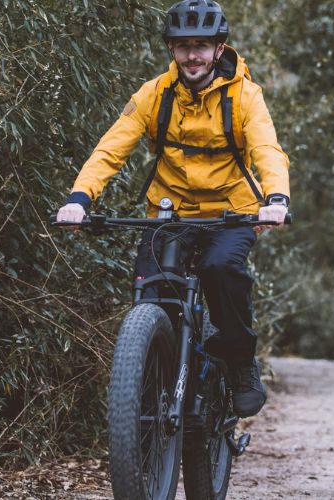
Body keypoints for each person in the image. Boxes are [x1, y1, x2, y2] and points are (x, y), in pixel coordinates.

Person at [55, 0, 290, 418]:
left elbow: (267, 149)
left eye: (201, 46)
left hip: (232, 213)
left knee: (221, 270)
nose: (192, 56)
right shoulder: (154, 94)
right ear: (171, 49)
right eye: (183, 47)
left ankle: (239, 364)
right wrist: (80, 197)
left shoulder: (245, 96)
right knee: (154, 296)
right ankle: (149, 392)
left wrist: (276, 199)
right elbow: (112, 147)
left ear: (219, 49)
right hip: (170, 212)